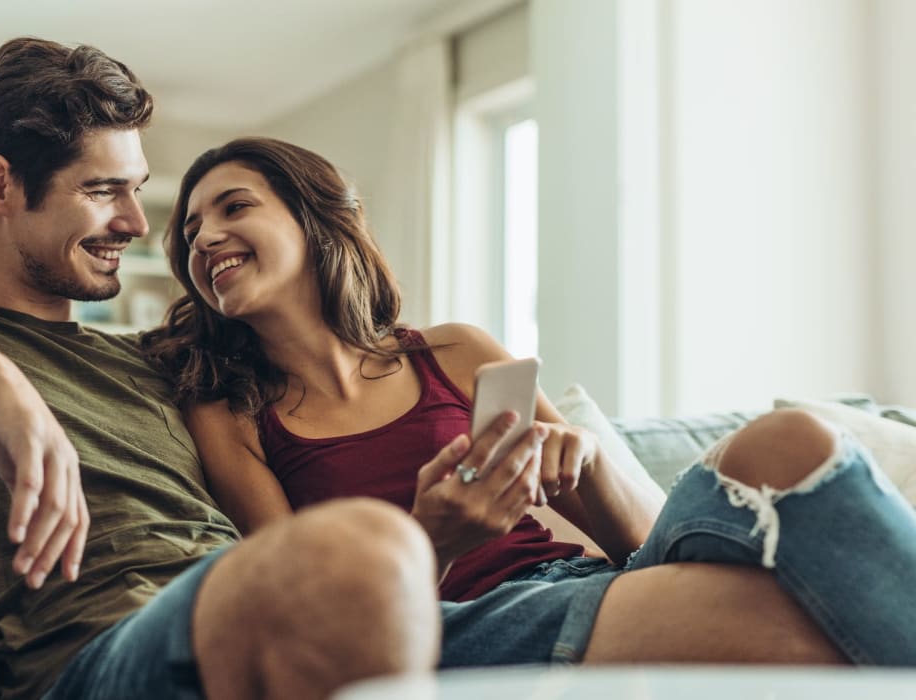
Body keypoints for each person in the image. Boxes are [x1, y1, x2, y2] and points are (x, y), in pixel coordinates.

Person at [141, 136, 916, 667]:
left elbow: (641, 547)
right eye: (190, 230)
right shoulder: (230, 411)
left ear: (317, 220)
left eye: (233, 208)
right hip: (455, 622)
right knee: (797, 611)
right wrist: (431, 538)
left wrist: (582, 465)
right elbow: (312, 615)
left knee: (789, 439)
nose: (203, 238)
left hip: (586, 579)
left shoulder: (455, 351)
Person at [0, 38, 442, 700]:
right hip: (100, 652)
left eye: (136, 190)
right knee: (365, 549)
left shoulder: (160, 360)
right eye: (102, 190)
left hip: (239, 604)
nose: (135, 222)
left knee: (591, 616)